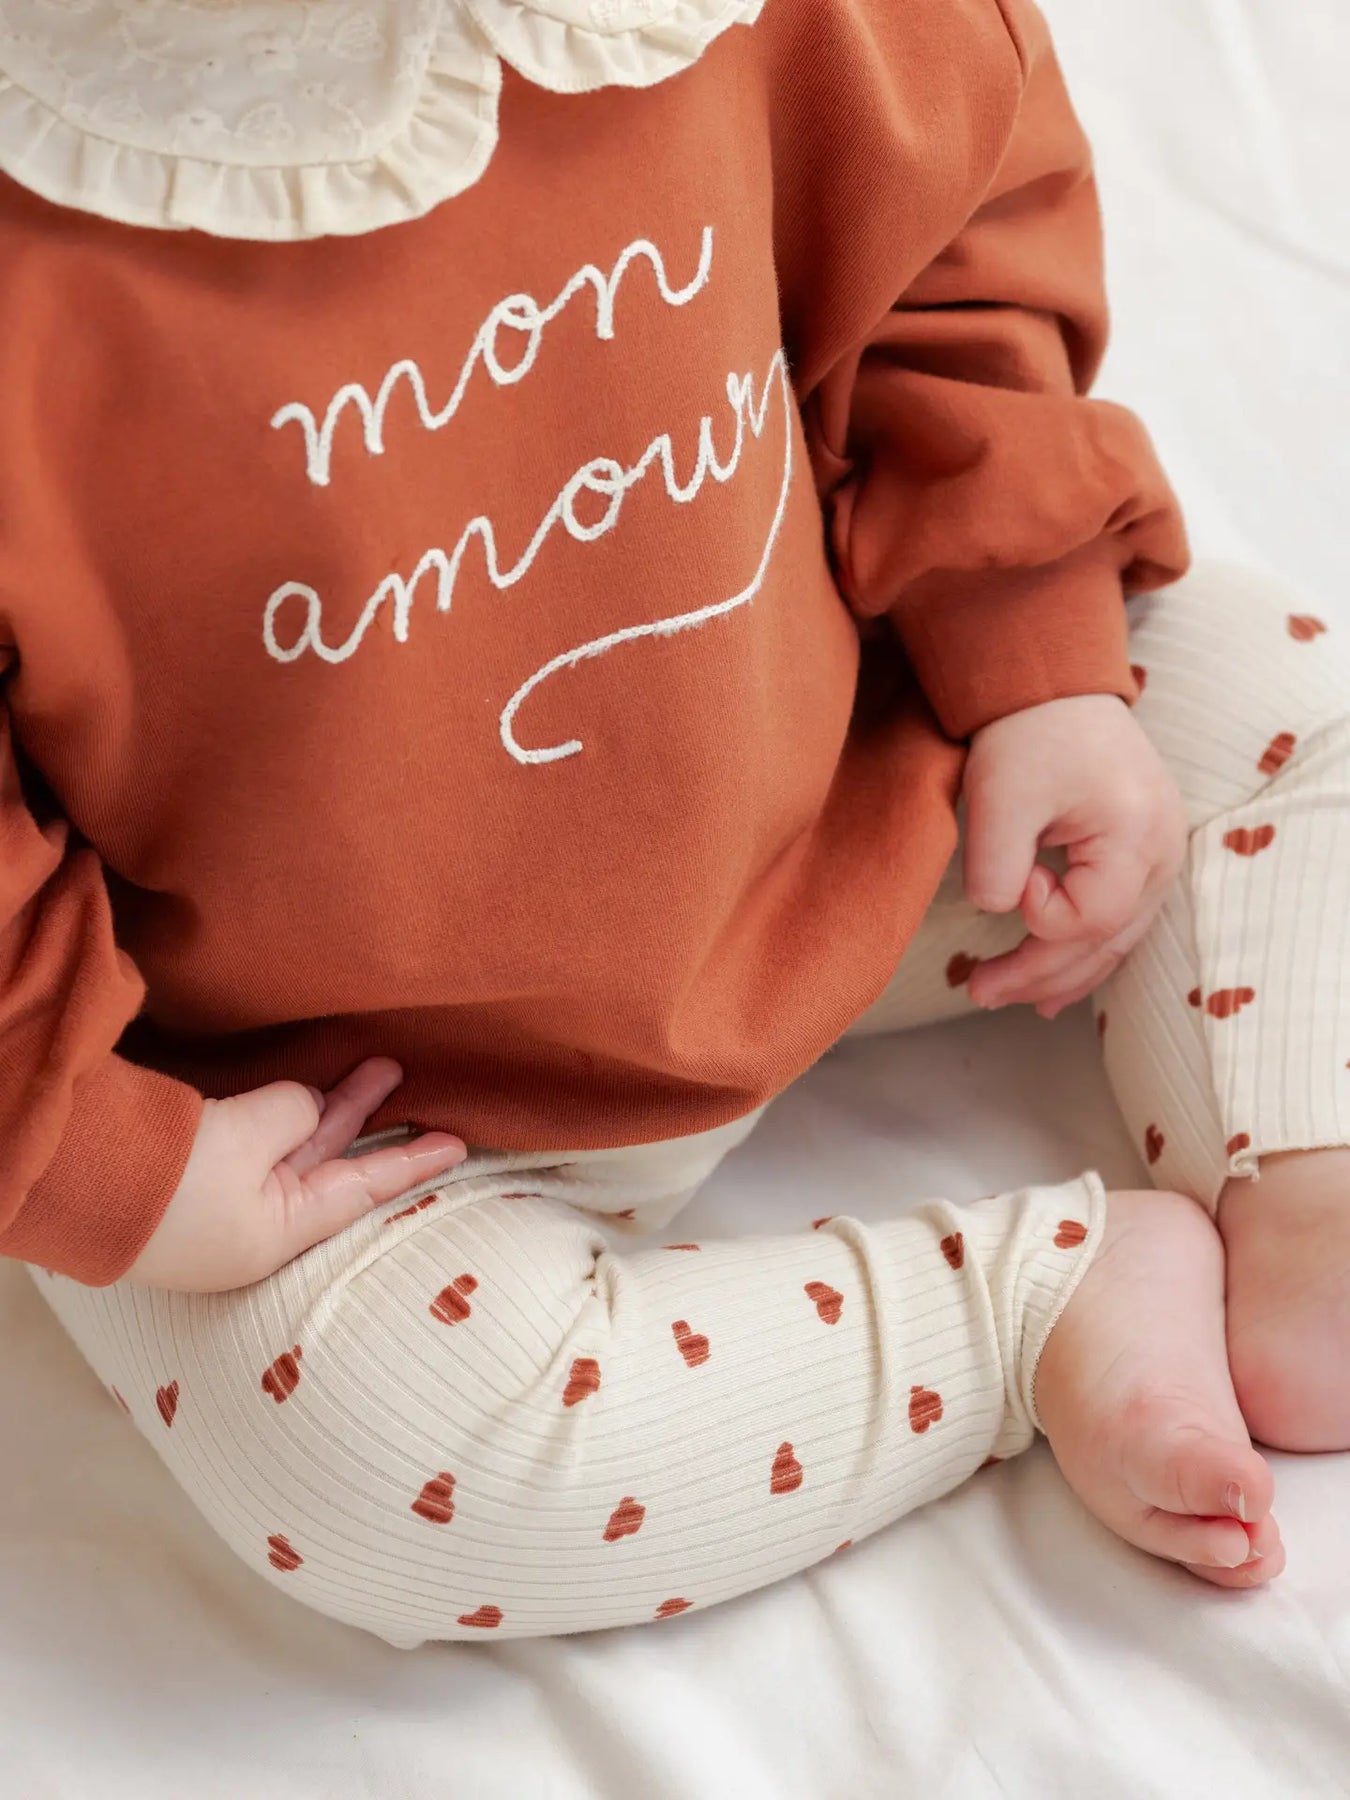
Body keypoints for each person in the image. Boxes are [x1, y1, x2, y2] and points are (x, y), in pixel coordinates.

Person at [1, 0, 1345, 1645]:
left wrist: (1030, 652)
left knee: (1282, 704)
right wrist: (108, 1163)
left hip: (861, 790)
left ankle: (1301, 1150)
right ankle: (1029, 1310)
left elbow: (945, 247)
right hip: (331, 1112)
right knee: (367, 1457)